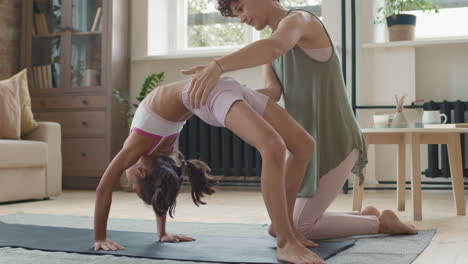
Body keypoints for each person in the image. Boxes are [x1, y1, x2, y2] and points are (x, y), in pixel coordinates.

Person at [181, 0, 417, 251]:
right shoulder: (270, 54)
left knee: (301, 227)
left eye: (240, 9)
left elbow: (275, 46)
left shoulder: (301, 20)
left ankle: (379, 223)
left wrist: (218, 66)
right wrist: (225, 96)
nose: (241, 19)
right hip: (303, 149)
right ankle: (364, 215)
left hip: (336, 141)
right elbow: (271, 92)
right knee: (278, 226)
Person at [93, 76, 327, 264]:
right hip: (222, 86)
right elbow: (161, 186)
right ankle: (286, 232)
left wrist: (100, 237)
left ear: (142, 173)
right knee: (295, 145)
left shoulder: (137, 145)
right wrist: (162, 233)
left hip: (215, 90)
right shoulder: (160, 152)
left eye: (131, 185)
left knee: (286, 146)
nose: (127, 176)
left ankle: (286, 239)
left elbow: (104, 188)